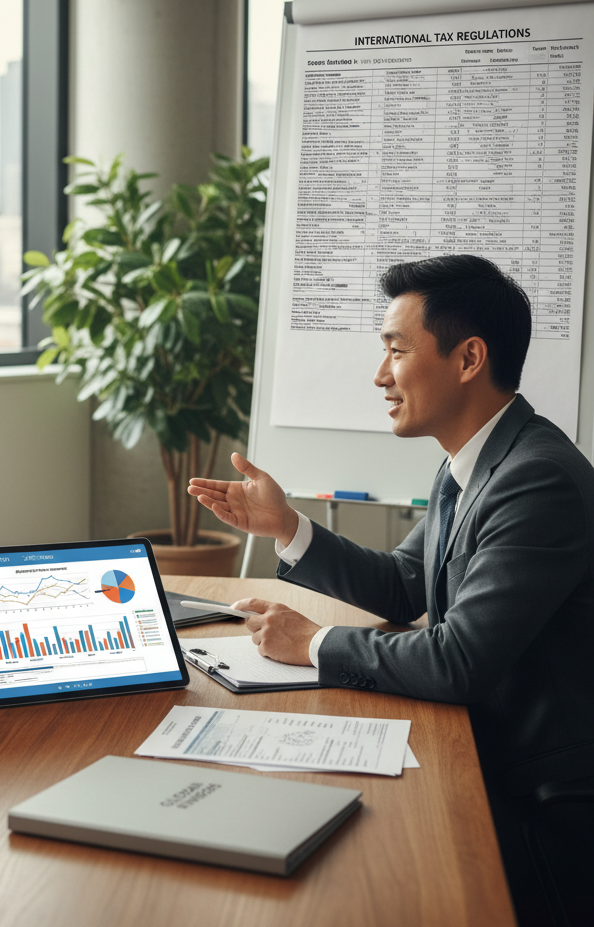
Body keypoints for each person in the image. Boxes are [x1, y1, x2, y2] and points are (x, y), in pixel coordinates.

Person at [188, 254, 594, 926]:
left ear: (468, 359)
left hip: (542, 804)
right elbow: (408, 585)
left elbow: (459, 659)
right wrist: (287, 529)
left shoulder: (535, 479)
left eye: (397, 351)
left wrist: (314, 643)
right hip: (488, 757)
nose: (381, 375)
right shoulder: (472, 462)